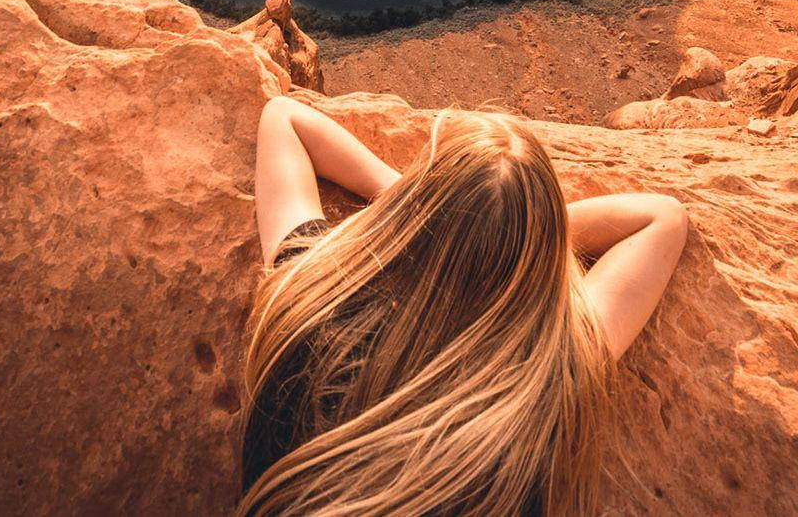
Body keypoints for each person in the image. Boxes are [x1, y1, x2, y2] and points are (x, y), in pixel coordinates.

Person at [239, 95, 689, 516]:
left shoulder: (309, 297)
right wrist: (525, 239)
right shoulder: (543, 378)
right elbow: (662, 217)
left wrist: (420, 211)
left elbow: (284, 117)